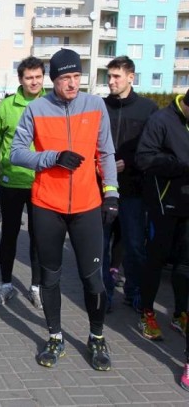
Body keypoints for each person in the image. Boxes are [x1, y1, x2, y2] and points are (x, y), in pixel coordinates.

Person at [10, 48, 118, 371]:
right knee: (51, 277)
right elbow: (16, 153)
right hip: (47, 205)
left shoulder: (95, 105)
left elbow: (106, 152)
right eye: (64, 78)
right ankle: (55, 337)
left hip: (87, 205)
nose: (71, 84)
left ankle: (96, 337)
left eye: (76, 77)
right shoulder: (36, 109)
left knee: (92, 279)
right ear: (52, 80)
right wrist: (51, 157)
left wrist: (111, 192)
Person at [102, 56, 158, 314]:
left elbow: (154, 148)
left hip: (134, 191)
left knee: (135, 246)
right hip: (101, 190)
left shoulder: (148, 109)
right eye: (109, 76)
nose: (111, 81)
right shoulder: (99, 107)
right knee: (101, 246)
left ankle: (134, 291)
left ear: (131, 78)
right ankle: (106, 294)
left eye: (116, 76)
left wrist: (130, 164)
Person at [0, 56, 46, 308]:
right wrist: (7, 166)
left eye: (38, 77)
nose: (34, 82)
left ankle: (36, 287)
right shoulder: (6, 106)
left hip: (43, 181)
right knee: (9, 235)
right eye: (28, 77)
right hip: (12, 181)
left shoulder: (51, 102)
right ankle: (5, 284)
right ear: (20, 80)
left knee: (39, 237)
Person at [135, 89, 189, 344]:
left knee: (185, 263)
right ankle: (147, 313)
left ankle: (180, 314)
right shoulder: (161, 120)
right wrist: (179, 164)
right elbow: (143, 158)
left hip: (188, 205)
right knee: (156, 260)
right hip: (163, 203)